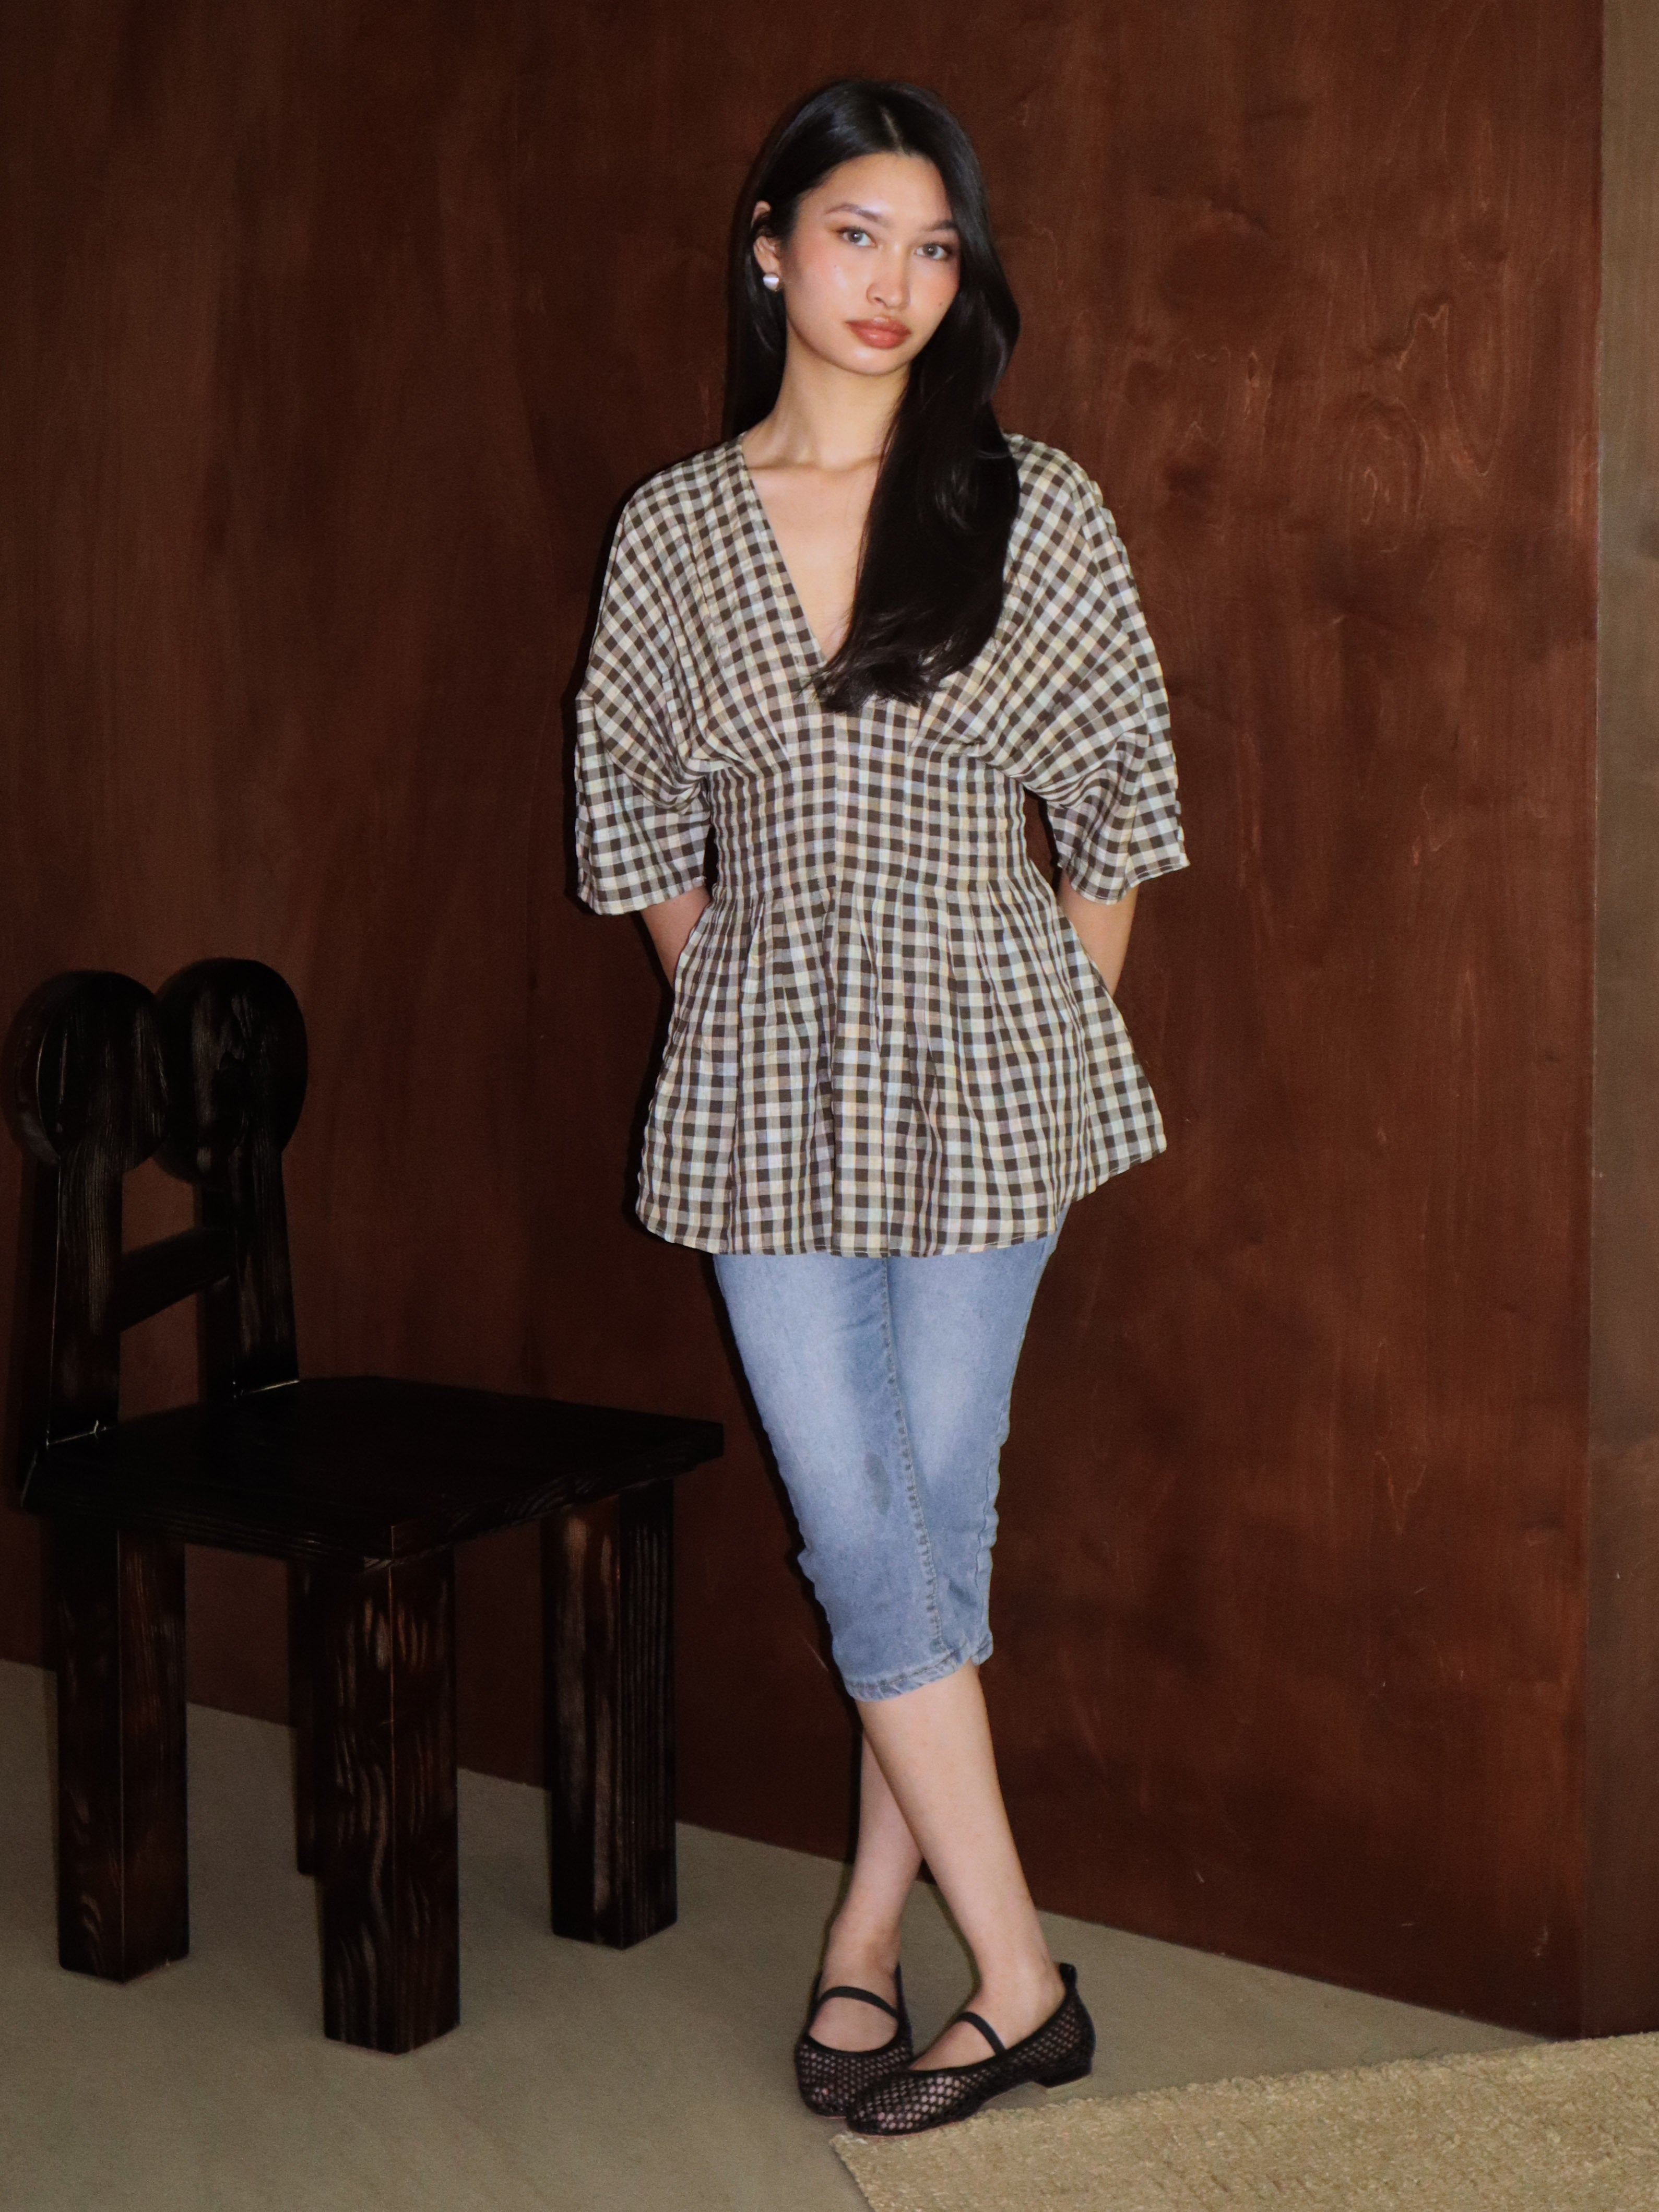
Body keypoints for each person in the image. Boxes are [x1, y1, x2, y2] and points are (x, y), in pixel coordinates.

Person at [573, 78, 1187, 2136]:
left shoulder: (1030, 504)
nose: (896, 284)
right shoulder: (675, 528)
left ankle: (866, 1929)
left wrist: (1030, 1040)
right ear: (769, 248)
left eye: (935, 249)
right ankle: (1022, 1977)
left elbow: (1120, 806)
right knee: (862, 1522)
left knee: (924, 1511)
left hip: (995, 1073)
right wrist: (744, 1009)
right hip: (763, 1089)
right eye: (857, 235)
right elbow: (634, 817)